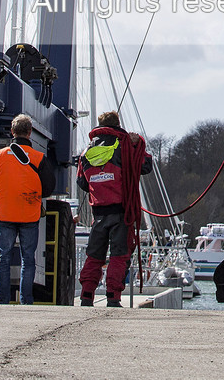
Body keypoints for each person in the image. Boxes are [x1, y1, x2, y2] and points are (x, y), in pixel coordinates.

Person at [76, 111, 151, 308]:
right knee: (119, 255)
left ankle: (86, 295)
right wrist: (136, 144)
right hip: (121, 212)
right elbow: (146, 165)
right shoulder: (124, 146)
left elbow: (83, 182)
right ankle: (113, 296)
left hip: (98, 213)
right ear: (118, 125)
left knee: (94, 256)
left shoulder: (86, 153)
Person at [0, 113, 55, 305]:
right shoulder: (38, 158)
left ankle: (1, 300)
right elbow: (48, 187)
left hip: (4, 213)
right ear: (29, 133)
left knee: (3, 257)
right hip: (28, 213)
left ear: (12, 132)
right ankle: (26, 300)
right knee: (28, 259)